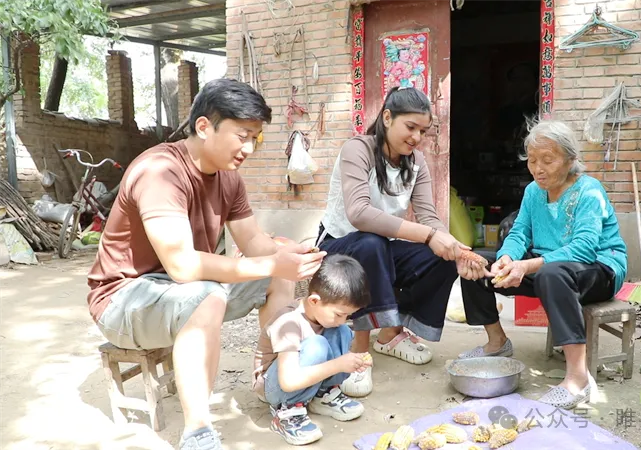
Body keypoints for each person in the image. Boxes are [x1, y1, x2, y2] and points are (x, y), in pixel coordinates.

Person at [86, 78, 326, 450]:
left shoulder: (229, 178)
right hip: (123, 299)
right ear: (203, 126)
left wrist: (292, 254)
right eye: (242, 135)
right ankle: (198, 433)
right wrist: (273, 264)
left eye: (255, 138)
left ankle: (275, 385)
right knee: (209, 296)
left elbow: (254, 243)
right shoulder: (160, 172)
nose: (249, 147)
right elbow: (182, 266)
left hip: (178, 289)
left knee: (276, 261)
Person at [315, 86, 479, 397]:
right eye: (411, 127)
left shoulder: (415, 162)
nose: (417, 137)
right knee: (370, 244)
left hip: (379, 248)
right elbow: (360, 214)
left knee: (439, 259)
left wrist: (451, 246)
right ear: (387, 117)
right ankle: (358, 349)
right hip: (339, 248)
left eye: (423, 131)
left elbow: (429, 217)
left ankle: (391, 335)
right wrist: (428, 235)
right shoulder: (357, 150)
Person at [457, 119, 628, 410]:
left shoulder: (589, 191)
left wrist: (528, 266)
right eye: (533, 160)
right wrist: (507, 259)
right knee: (475, 265)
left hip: (599, 268)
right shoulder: (534, 192)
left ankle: (578, 378)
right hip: (550, 269)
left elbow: (585, 248)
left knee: (551, 272)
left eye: (548, 160)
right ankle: (497, 342)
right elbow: (520, 231)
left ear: (571, 160)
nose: (538, 168)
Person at [254, 254, 372, 445]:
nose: (343, 319)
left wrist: (351, 361)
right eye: (340, 314)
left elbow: (338, 335)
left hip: (300, 374)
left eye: (348, 315)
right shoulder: (289, 322)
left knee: (341, 331)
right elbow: (288, 381)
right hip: (275, 386)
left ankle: (322, 393)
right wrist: (338, 365)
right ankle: (287, 410)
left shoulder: (326, 317)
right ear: (314, 301)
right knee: (317, 344)